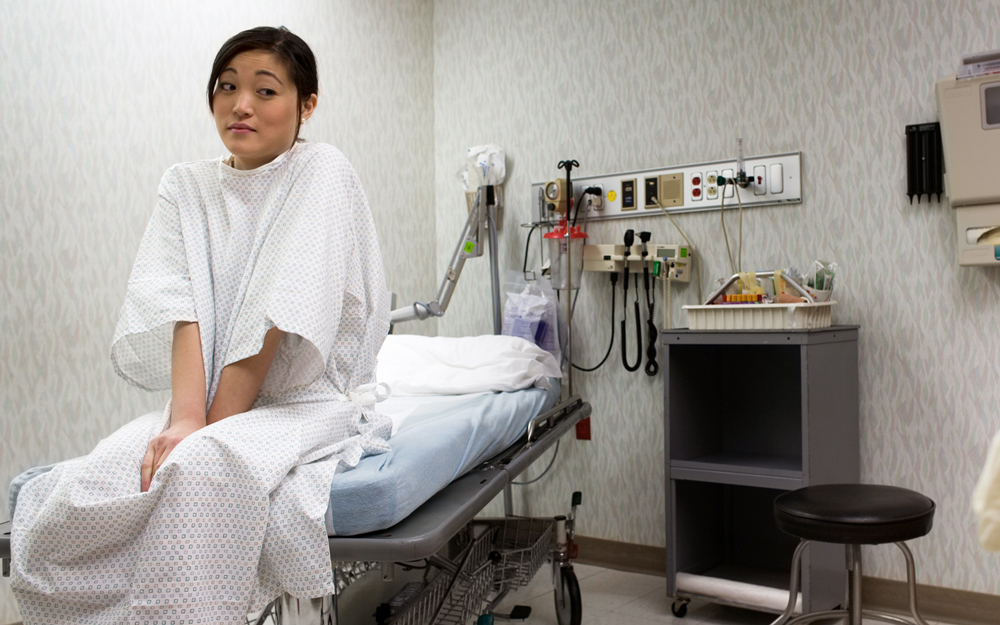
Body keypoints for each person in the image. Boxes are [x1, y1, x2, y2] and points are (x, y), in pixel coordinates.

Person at [9, 26, 392, 624]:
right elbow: (181, 304)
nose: (240, 104)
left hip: (300, 400)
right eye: (227, 87)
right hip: (209, 401)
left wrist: (211, 431)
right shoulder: (185, 186)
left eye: (266, 91)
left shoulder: (319, 170)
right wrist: (187, 418)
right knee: (96, 481)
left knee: (198, 469)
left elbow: (277, 309)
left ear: (307, 105)